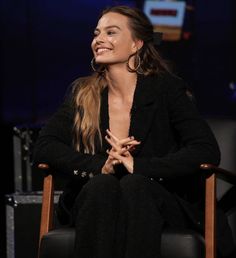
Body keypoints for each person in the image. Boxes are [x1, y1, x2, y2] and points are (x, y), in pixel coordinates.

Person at [33, 5, 235, 258]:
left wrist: (138, 166)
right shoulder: (82, 93)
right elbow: (45, 146)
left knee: (136, 185)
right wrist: (100, 166)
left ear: (136, 44)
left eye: (111, 32)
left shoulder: (166, 89)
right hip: (98, 200)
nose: (99, 40)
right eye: (97, 33)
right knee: (101, 185)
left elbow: (204, 150)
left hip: (159, 199)